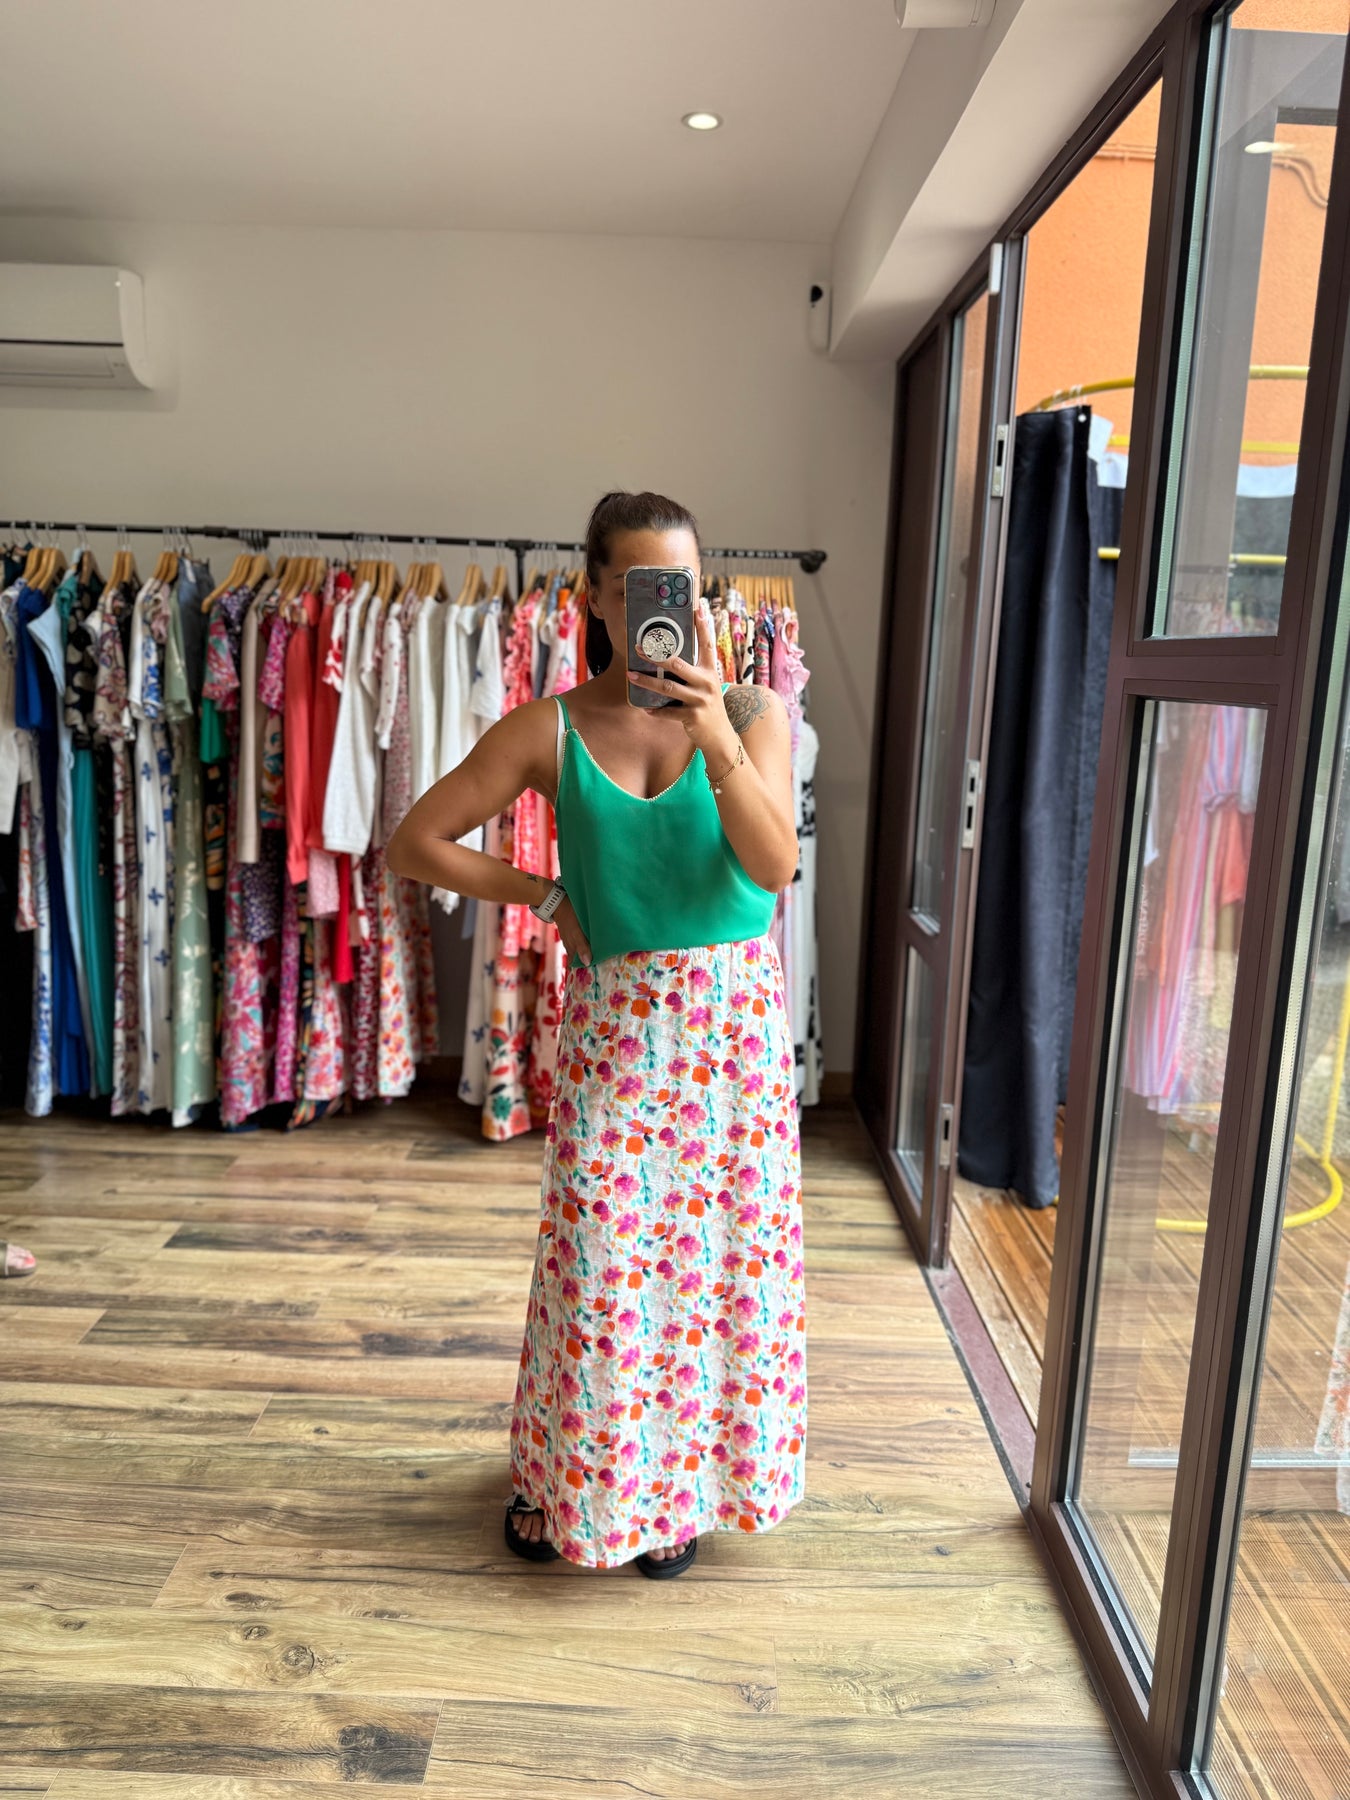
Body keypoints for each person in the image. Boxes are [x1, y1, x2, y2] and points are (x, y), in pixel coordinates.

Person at [387, 489, 807, 1577]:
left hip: (733, 1041)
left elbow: (774, 867)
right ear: (595, 596)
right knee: (600, 1265)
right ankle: (564, 1475)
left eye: (683, 586)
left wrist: (712, 731)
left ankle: (679, 1492)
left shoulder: (755, 712)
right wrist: (542, 892)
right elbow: (416, 841)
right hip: (619, 1033)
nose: (664, 608)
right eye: (640, 587)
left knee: (716, 1268)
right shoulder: (551, 727)